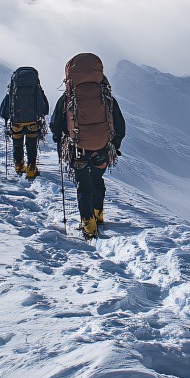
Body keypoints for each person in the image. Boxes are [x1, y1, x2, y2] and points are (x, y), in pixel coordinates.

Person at [50, 53, 126, 240]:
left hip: (78, 150)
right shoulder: (107, 97)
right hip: (102, 149)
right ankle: (98, 214)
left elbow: (55, 124)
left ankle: (88, 225)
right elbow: (119, 124)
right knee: (97, 180)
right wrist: (114, 145)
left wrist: (59, 140)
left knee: (84, 187)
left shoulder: (68, 98)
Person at [0, 67, 50, 179]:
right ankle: (31, 169)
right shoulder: (36, 88)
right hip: (33, 123)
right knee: (31, 146)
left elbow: (4, 110)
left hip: (16, 124)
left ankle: (19, 166)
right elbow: (45, 108)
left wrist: (7, 118)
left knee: (17, 145)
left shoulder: (13, 89)